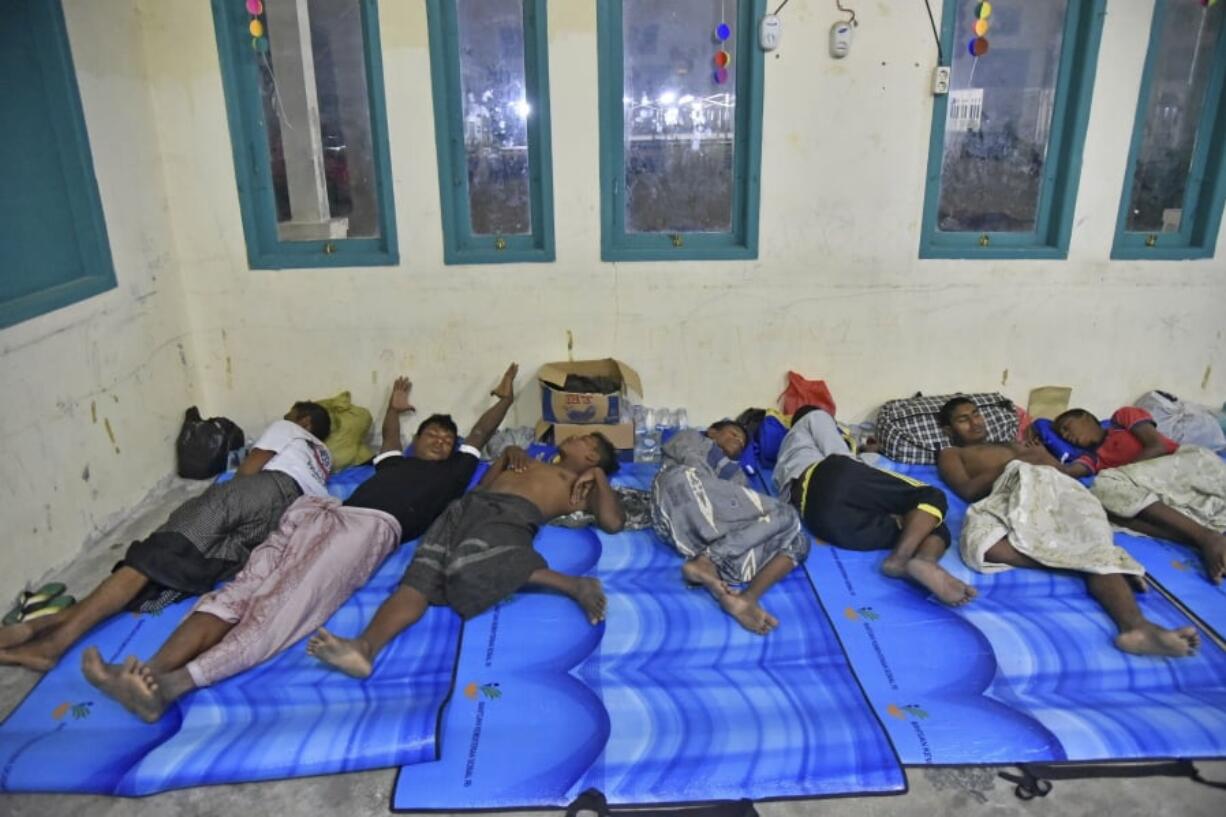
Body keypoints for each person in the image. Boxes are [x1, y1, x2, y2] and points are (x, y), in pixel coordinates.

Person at [81, 365, 523, 722]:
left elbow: (481, 433)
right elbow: (390, 436)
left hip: (370, 530)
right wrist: (394, 407)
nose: (441, 441)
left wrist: (503, 398)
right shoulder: (392, 460)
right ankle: (150, 673)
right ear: (417, 441)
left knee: (282, 605)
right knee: (240, 590)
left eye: (448, 439)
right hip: (321, 512)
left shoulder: (456, 470)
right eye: (432, 434)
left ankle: (174, 687)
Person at [0, 403, 332, 672]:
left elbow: (248, 470)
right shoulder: (325, 460)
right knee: (183, 572)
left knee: (163, 548)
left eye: (291, 413)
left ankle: (52, 643)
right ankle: (43, 627)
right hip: (285, 518)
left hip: (257, 491)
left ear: (303, 420)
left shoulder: (289, 428)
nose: (285, 416)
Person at [308, 431, 625, 679]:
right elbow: (481, 488)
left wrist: (597, 476)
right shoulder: (536, 461)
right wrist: (506, 457)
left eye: (583, 440)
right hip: (463, 512)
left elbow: (613, 522)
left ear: (592, 456)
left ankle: (575, 585)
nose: (571, 437)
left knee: (475, 561)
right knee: (417, 582)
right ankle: (365, 647)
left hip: (508, 515)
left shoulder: (580, 485)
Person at [938, 398, 1198, 657]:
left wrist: (1041, 459)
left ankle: (1137, 627)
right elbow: (967, 490)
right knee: (982, 544)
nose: (975, 422)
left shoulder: (1015, 442)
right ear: (949, 430)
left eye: (976, 414)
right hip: (1010, 490)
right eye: (963, 420)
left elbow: (1059, 473)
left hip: (1057, 489)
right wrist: (1017, 463)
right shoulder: (952, 453)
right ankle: (1106, 588)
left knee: (1090, 536)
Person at [774, 405, 975, 606]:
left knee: (930, 525)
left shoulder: (783, 457)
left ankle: (922, 561)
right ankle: (901, 557)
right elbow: (842, 458)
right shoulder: (814, 417)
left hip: (818, 518)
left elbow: (856, 472)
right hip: (825, 476)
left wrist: (867, 453)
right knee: (931, 497)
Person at [652, 421, 809, 635]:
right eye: (733, 434)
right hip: (680, 493)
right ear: (712, 431)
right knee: (787, 514)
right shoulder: (693, 438)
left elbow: (743, 514)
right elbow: (691, 464)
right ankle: (709, 560)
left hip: (693, 536)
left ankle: (747, 598)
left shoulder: (737, 475)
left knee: (799, 541)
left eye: (742, 442)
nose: (738, 441)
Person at [1054, 407, 1226, 585]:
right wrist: (1038, 453)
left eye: (1067, 427)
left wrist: (1125, 475)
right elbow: (1067, 471)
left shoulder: (1122, 417)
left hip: (1187, 465)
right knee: (1106, 510)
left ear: (1086, 417)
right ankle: (1203, 538)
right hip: (1167, 491)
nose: (1065, 435)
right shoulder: (1095, 459)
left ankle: (1206, 537)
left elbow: (1157, 446)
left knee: (1106, 483)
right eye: (1061, 434)